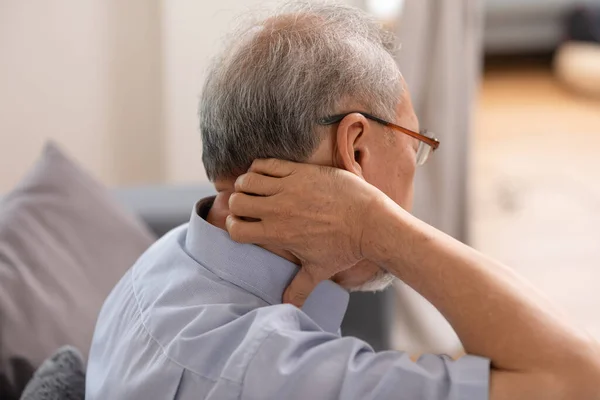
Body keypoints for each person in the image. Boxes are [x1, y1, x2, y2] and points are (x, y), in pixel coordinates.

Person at [85, 2, 599, 399]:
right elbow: (578, 378)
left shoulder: (163, 262)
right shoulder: (284, 375)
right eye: (414, 147)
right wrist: (375, 226)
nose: (413, 175)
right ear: (354, 149)